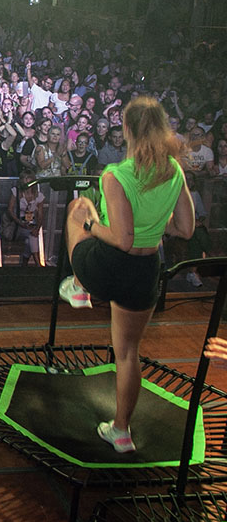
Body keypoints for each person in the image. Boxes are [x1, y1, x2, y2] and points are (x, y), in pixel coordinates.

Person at [60, 97, 195, 453]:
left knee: (78, 207)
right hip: (145, 271)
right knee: (127, 354)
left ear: (127, 130)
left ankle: (79, 287)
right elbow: (185, 229)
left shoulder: (116, 175)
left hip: (107, 267)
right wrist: (156, 222)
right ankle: (121, 432)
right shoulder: (173, 170)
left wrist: (91, 224)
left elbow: (122, 238)